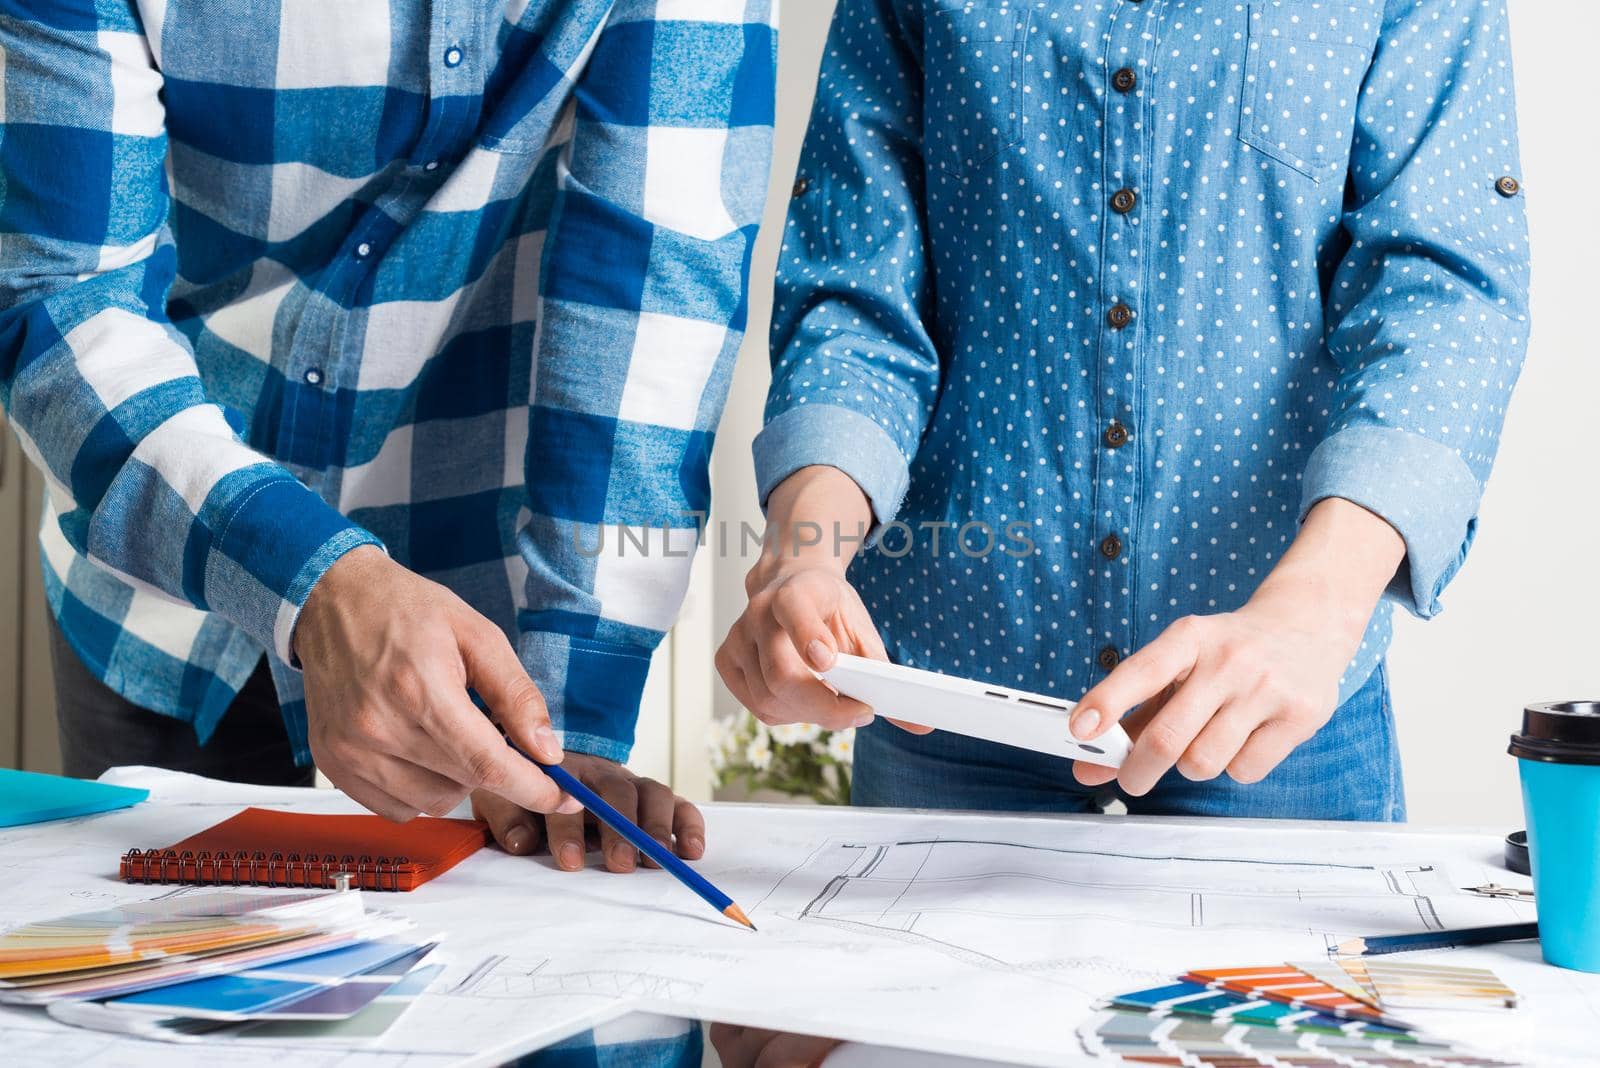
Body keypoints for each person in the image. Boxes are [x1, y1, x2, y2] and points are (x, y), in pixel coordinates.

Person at [2, 3, 772, 1056]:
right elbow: (63, 299)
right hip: (168, 587)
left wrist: (569, 715)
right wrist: (314, 585)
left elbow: (656, 269)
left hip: (499, 622)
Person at [720, 0, 1530, 821]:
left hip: (1270, 713)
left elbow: (1441, 294)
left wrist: (1314, 609)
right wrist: (802, 554)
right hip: (944, 696)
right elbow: (856, 287)